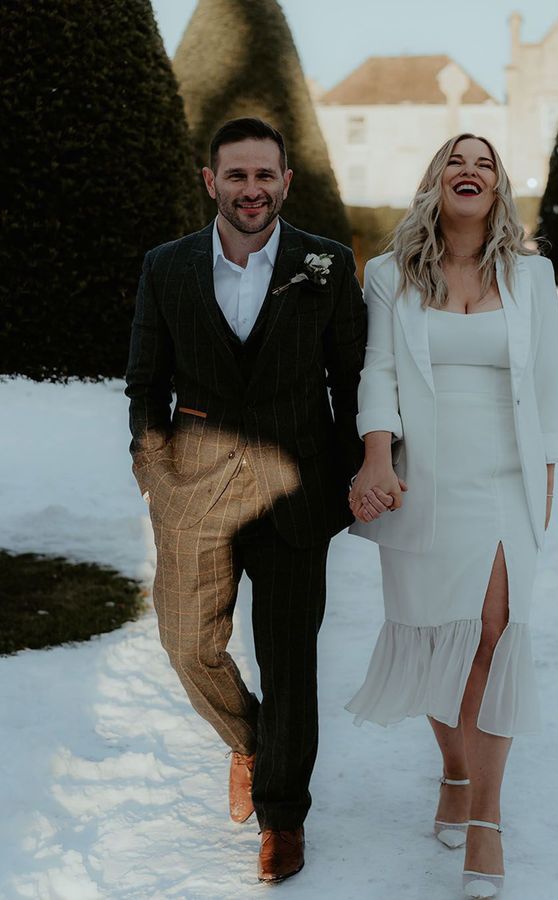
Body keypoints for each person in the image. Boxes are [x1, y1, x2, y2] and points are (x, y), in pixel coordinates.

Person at [125, 117, 366, 883]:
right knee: (187, 644)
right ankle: (253, 743)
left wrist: (363, 469)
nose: (252, 190)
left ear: (286, 182)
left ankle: (283, 818)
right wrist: (154, 471)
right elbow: (145, 384)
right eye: (237, 175)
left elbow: (353, 378)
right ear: (211, 181)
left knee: (290, 663)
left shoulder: (326, 263)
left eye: (266, 176)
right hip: (194, 488)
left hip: (295, 489)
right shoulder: (166, 267)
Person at [346, 134, 558, 899]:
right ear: (435, 179)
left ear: (498, 185)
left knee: (494, 637)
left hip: (505, 482)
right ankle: (454, 768)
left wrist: (544, 485)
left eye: (484, 162)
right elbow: (376, 370)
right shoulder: (387, 274)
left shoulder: (531, 276)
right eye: (455, 160)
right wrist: (377, 457)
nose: (469, 170)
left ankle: (487, 821)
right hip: (423, 480)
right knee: (438, 639)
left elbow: (544, 389)